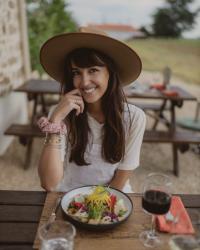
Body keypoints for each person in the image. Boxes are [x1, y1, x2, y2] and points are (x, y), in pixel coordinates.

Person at [38, 27, 146, 193]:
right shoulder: (60, 114)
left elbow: (122, 176)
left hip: (113, 197)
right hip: (69, 196)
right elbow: (49, 183)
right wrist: (55, 121)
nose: (84, 82)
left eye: (93, 70)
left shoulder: (134, 117)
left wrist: (94, 207)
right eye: (77, 73)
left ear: (110, 73)